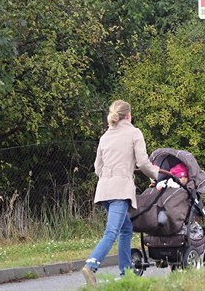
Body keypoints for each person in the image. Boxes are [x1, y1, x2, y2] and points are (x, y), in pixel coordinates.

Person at [82, 100, 160, 285]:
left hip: (104, 190)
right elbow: (142, 162)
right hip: (119, 191)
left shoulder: (105, 136)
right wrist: (156, 175)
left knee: (126, 229)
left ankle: (126, 273)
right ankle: (91, 265)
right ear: (129, 116)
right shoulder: (134, 133)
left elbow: (96, 168)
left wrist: (111, 174)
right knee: (112, 232)